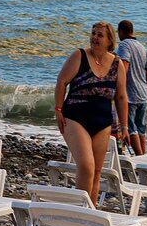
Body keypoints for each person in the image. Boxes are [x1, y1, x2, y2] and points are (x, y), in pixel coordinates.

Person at [54, 22, 130, 206]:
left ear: (109, 40)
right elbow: (62, 82)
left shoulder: (117, 64)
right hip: (75, 118)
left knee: (96, 172)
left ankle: (90, 212)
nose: (95, 37)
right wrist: (58, 110)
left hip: (102, 123)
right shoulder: (79, 56)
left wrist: (124, 126)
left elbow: (121, 97)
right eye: (93, 33)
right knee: (86, 166)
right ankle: (77, 212)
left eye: (100, 35)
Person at [116, 19, 147, 156]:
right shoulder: (141, 47)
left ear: (121, 31)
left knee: (130, 128)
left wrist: (118, 84)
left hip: (130, 94)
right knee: (141, 129)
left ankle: (139, 157)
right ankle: (144, 158)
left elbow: (124, 64)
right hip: (142, 92)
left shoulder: (124, 44)